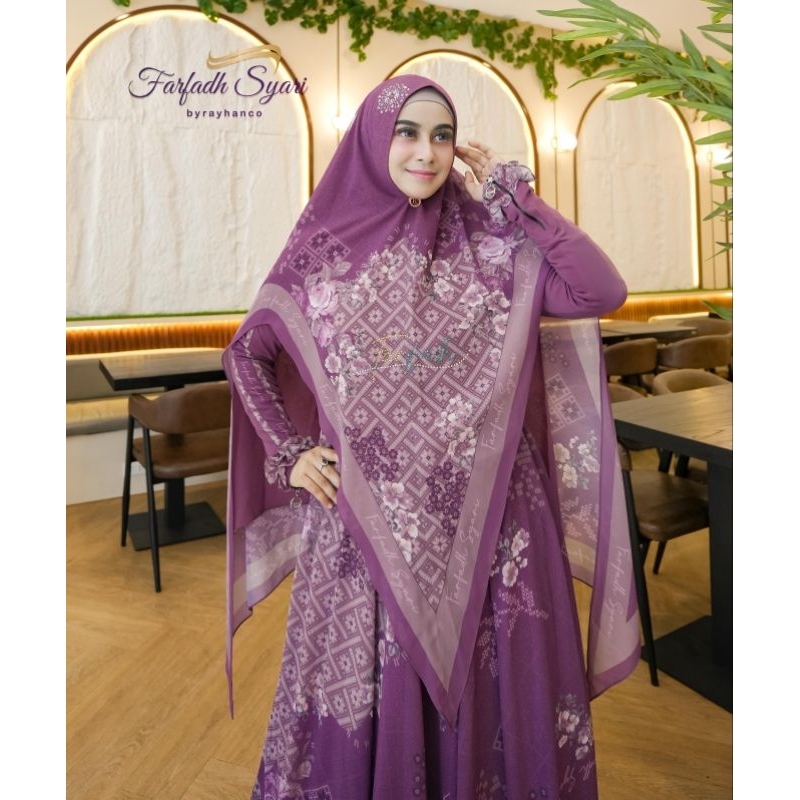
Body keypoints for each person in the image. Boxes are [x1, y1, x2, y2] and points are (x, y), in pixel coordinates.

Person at [223, 73, 640, 799]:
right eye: (408, 133)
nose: (427, 151)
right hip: (365, 529)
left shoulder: (494, 246)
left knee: (497, 698)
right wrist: (290, 453)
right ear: (372, 141)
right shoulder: (323, 252)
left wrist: (519, 198)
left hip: (496, 522)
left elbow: (600, 291)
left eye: (442, 136)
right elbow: (245, 353)